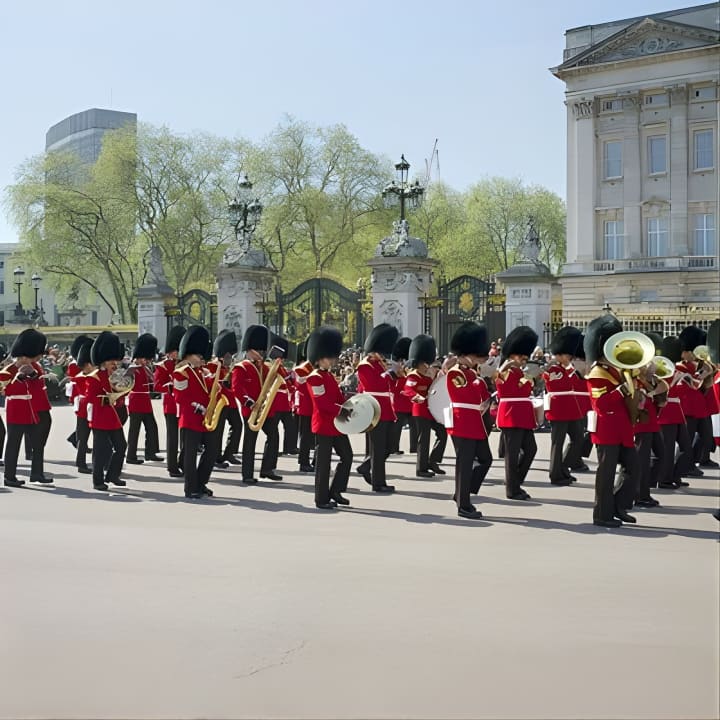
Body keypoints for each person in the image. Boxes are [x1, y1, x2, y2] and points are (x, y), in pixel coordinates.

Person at [584, 315, 637, 527]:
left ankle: (618, 506)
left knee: (633, 468)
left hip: (622, 428)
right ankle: (602, 514)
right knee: (606, 475)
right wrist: (622, 390)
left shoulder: (618, 370)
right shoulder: (597, 373)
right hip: (607, 429)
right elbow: (601, 404)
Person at [445, 322, 493, 519]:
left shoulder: (472, 373)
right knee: (464, 464)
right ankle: (463, 505)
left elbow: (483, 395)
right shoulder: (455, 372)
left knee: (485, 459)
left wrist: (487, 396)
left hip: (475, 421)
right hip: (462, 421)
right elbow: (465, 393)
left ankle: (461, 491)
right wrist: (479, 381)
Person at [305, 327, 353, 509]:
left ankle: (336, 490)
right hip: (324, 425)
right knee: (323, 464)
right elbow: (322, 403)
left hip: (336, 424)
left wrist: (350, 403)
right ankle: (321, 498)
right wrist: (341, 410)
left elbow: (337, 398)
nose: (332, 360)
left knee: (347, 456)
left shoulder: (328, 376)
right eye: (328, 357)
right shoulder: (314, 378)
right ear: (319, 358)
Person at [1, 329, 53, 487]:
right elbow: (6, 392)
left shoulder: (36, 367)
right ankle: (9, 477)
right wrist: (18, 379)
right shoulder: (8, 371)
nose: (38, 358)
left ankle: (37, 473)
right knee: (13, 444)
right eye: (34, 355)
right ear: (24, 355)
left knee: (38, 444)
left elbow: (39, 390)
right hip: (17, 411)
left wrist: (34, 376)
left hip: (34, 411)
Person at [231, 324, 281, 483]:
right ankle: (247, 474)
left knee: (274, 436)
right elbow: (237, 388)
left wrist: (277, 363)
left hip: (265, 409)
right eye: (258, 350)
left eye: (261, 350)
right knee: (249, 441)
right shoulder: (241, 367)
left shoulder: (265, 367)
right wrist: (247, 401)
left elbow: (275, 379)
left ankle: (267, 468)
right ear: (249, 350)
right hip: (251, 409)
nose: (260, 352)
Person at [173, 325, 218, 499]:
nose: (201, 358)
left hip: (205, 418)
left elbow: (209, 392)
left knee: (212, 451)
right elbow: (180, 398)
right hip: (191, 418)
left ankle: (201, 483)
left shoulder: (202, 372)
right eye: (198, 355)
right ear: (189, 354)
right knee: (190, 456)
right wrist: (198, 407)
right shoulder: (181, 373)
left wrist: (216, 385)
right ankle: (190, 487)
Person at [495, 326, 539, 501]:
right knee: (511, 456)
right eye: (522, 357)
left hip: (523, 414)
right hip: (511, 414)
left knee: (531, 449)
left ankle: (515, 481)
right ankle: (512, 489)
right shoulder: (505, 370)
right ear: (513, 355)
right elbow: (499, 383)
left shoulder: (520, 371)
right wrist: (506, 365)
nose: (524, 360)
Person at [356, 323, 400, 493]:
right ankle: (378, 483)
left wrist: (395, 374)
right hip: (373, 409)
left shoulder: (380, 364)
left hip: (386, 410)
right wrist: (390, 373)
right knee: (379, 448)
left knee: (388, 447)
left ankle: (366, 466)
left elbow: (390, 386)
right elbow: (374, 385)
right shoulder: (364, 365)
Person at [85, 331, 128, 491]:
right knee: (100, 451)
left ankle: (113, 475)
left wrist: (123, 393)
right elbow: (90, 397)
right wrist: (107, 399)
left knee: (121, 446)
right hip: (100, 418)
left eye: (115, 360)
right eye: (111, 361)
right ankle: (97, 480)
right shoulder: (94, 376)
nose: (114, 363)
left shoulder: (116, 376)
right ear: (103, 361)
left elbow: (121, 392)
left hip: (113, 418)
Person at [542, 325, 585, 486]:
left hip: (572, 410)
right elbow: (560, 383)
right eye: (567, 354)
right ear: (559, 354)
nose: (569, 357)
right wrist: (570, 369)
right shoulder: (552, 369)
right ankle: (555, 474)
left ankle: (564, 467)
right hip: (559, 410)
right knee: (557, 443)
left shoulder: (567, 368)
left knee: (578, 439)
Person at [403, 334, 447, 478]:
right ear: (419, 363)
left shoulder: (428, 377)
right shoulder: (413, 376)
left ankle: (433, 460)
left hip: (431, 411)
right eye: (425, 363)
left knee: (442, 433)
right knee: (424, 439)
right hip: (420, 411)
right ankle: (421, 468)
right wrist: (416, 397)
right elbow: (408, 390)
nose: (427, 365)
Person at [207, 329, 242, 468]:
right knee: (218, 431)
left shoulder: (230, 367)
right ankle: (215, 458)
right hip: (218, 402)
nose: (230, 357)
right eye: (228, 355)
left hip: (231, 402)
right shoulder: (212, 366)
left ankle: (229, 453)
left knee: (238, 426)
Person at [153, 326, 185, 478]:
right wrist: (170, 386)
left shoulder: (186, 364)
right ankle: (172, 466)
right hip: (171, 405)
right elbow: (157, 385)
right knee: (173, 438)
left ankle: (183, 462)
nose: (176, 353)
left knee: (186, 438)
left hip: (184, 405)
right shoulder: (163, 366)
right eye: (174, 351)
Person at [126, 333, 163, 465]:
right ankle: (131, 455)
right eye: (144, 358)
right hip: (136, 400)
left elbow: (153, 380)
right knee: (134, 430)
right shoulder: (131, 368)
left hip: (145, 400)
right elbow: (125, 382)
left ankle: (150, 452)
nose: (145, 360)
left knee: (152, 428)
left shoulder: (144, 368)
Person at [388, 337, 417, 455]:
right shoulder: (392, 373)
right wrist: (400, 377)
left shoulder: (411, 371)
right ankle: (393, 448)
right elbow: (393, 389)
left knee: (414, 427)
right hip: (399, 404)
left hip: (410, 403)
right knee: (396, 428)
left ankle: (414, 447)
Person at [71, 338, 94, 474]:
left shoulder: (84, 375)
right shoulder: (83, 377)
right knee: (83, 437)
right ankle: (81, 463)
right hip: (86, 408)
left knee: (83, 437)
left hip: (85, 407)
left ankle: (81, 462)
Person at [65, 334, 92, 450]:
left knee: (85, 422)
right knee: (83, 423)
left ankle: (77, 440)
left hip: (83, 394)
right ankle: (80, 443)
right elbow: (77, 380)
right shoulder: (74, 364)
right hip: (80, 394)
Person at [292, 341, 315, 473]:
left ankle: (313, 460)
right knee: (305, 436)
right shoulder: (301, 369)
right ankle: (304, 462)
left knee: (311, 436)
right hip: (306, 406)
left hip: (313, 405)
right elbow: (300, 385)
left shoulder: (312, 367)